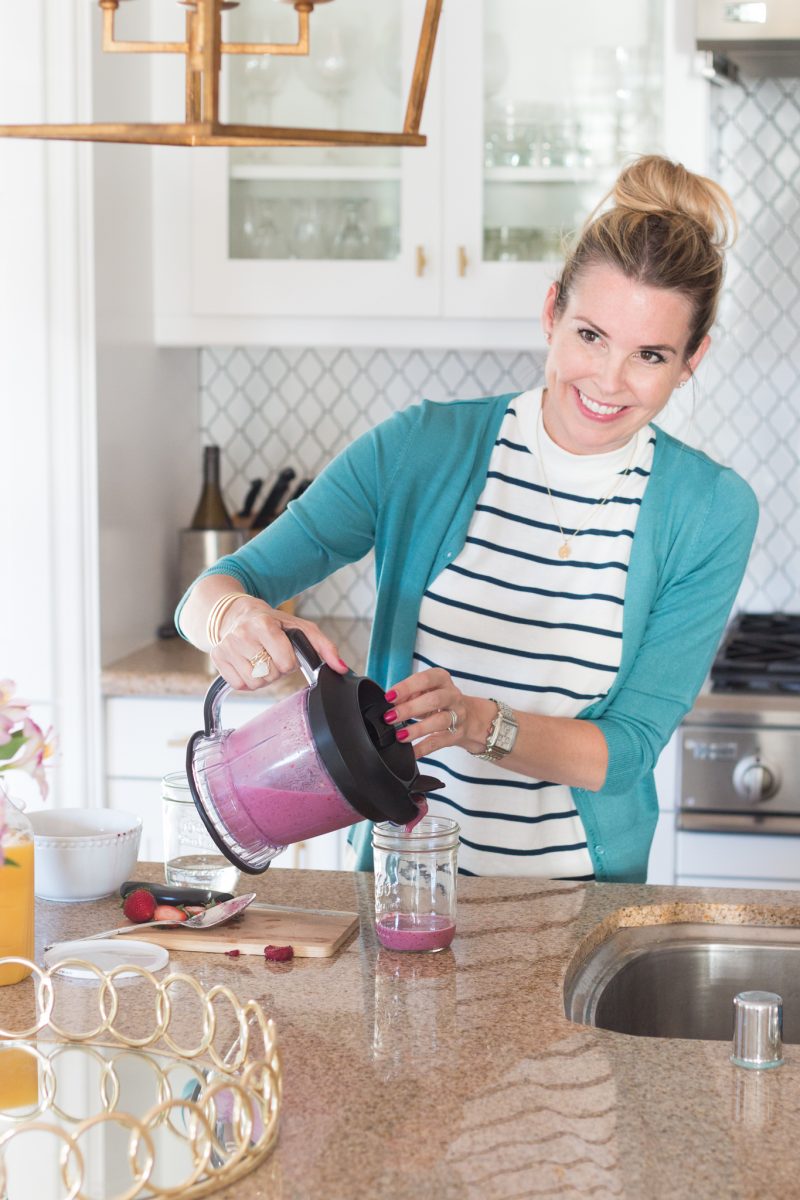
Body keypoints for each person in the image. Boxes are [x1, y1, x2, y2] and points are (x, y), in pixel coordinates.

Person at [176, 154, 758, 884]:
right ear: (551, 313)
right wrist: (233, 616)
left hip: (579, 904)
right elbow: (212, 589)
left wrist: (480, 725)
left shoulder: (709, 510)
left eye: (650, 354)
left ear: (691, 360)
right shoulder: (423, 447)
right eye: (589, 335)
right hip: (404, 885)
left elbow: (629, 749)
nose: (610, 381)